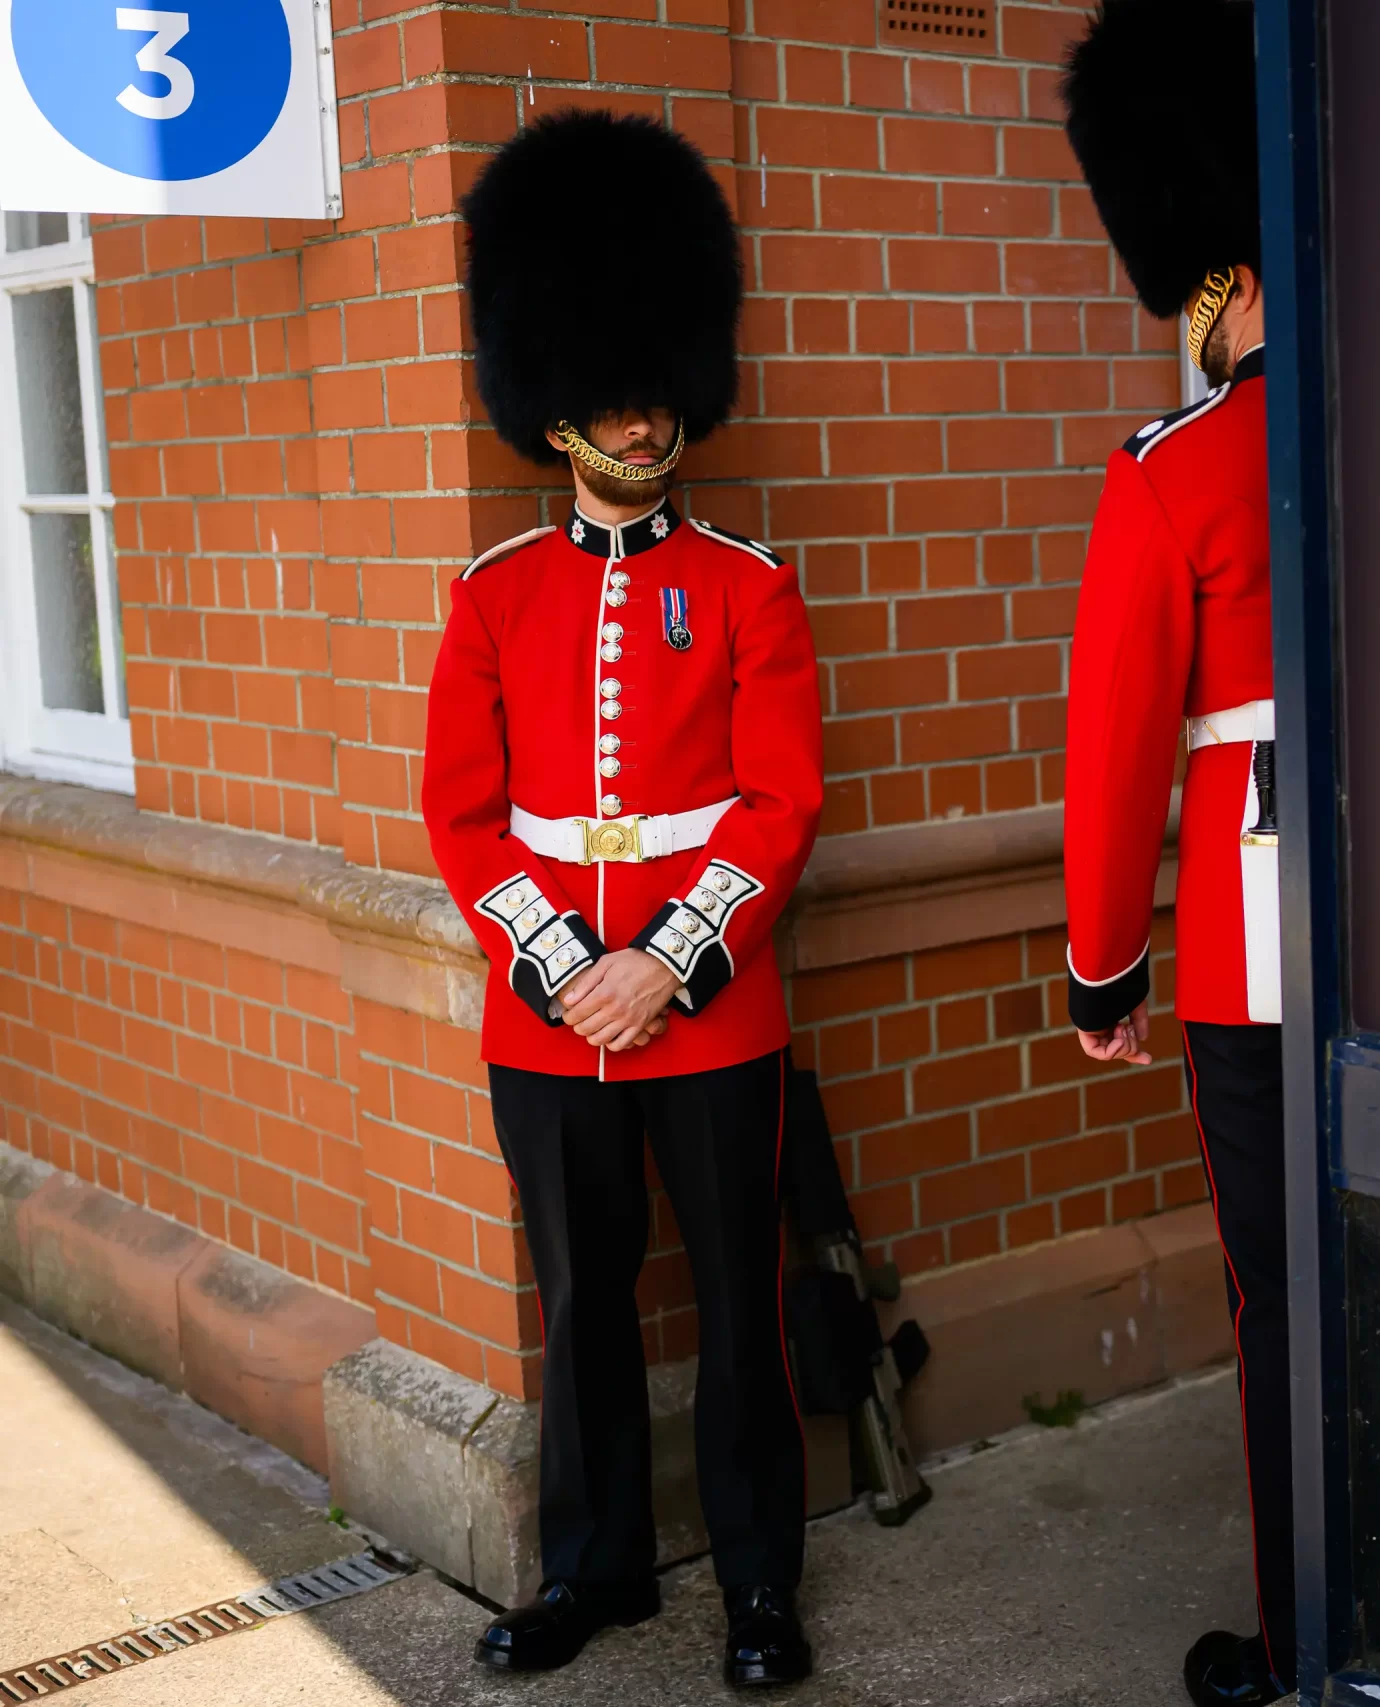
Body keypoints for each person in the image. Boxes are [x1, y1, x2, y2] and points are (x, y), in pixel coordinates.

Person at [421, 109, 824, 1689]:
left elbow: (782, 802)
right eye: (611, 392)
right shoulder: (494, 596)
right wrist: (561, 963)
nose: (643, 417)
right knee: (582, 1301)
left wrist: (664, 961)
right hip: (547, 1020)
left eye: (657, 388)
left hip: (710, 1012)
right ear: (556, 403)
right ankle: (593, 1569)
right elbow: (461, 814)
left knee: (739, 1302)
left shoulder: (748, 587)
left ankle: (760, 1581)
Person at [1058, 3, 1287, 1702]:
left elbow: (1119, 746)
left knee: (1278, 1297)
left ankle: (1307, 1633)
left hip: (1250, 941)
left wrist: (1104, 967)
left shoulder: (1175, 467)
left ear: (1218, 282)